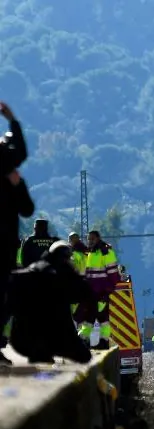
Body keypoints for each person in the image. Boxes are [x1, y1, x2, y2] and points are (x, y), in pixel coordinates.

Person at [8, 240, 94, 364]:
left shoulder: (32, 270)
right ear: (65, 258)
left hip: (21, 340)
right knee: (84, 356)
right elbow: (84, 293)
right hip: (54, 337)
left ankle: (40, 354)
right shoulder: (63, 276)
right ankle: (43, 352)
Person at [0, 102, 34, 365]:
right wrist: (13, 120)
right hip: (5, 244)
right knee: (8, 295)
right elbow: (27, 209)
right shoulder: (10, 177)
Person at [75, 230, 120, 350]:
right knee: (88, 317)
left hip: (101, 293)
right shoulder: (92, 253)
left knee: (103, 319)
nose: (89, 241)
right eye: (88, 239)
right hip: (91, 293)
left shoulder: (106, 252)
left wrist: (107, 291)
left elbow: (114, 275)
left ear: (98, 239)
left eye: (92, 239)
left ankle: (103, 341)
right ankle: (85, 339)